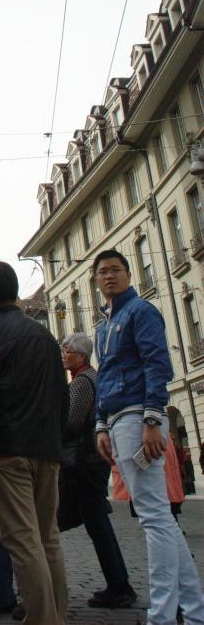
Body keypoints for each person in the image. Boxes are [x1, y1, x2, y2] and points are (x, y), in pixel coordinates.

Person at [94, 249, 204, 625]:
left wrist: (154, 418)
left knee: (154, 519)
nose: (109, 277)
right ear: (96, 281)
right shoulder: (103, 326)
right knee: (161, 520)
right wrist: (101, 425)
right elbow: (105, 375)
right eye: (103, 272)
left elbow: (158, 363)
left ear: (128, 275)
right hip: (119, 418)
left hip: (137, 416)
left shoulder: (141, 312)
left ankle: (161, 616)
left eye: (116, 270)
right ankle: (194, 612)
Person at [0, 259, 69, 625]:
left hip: (5, 449)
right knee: (47, 537)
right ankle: (56, 615)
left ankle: (42, 620)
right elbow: (61, 395)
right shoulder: (44, 336)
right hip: (46, 448)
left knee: (21, 539)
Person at [58, 331, 137, 610]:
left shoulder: (82, 382)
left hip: (85, 462)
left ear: (80, 355)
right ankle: (120, 583)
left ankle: (119, 585)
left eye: (67, 350)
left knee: (96, 523)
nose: (63, 353)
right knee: (96, 522)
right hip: (92, 461)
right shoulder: (90, 378)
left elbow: (72, 422)